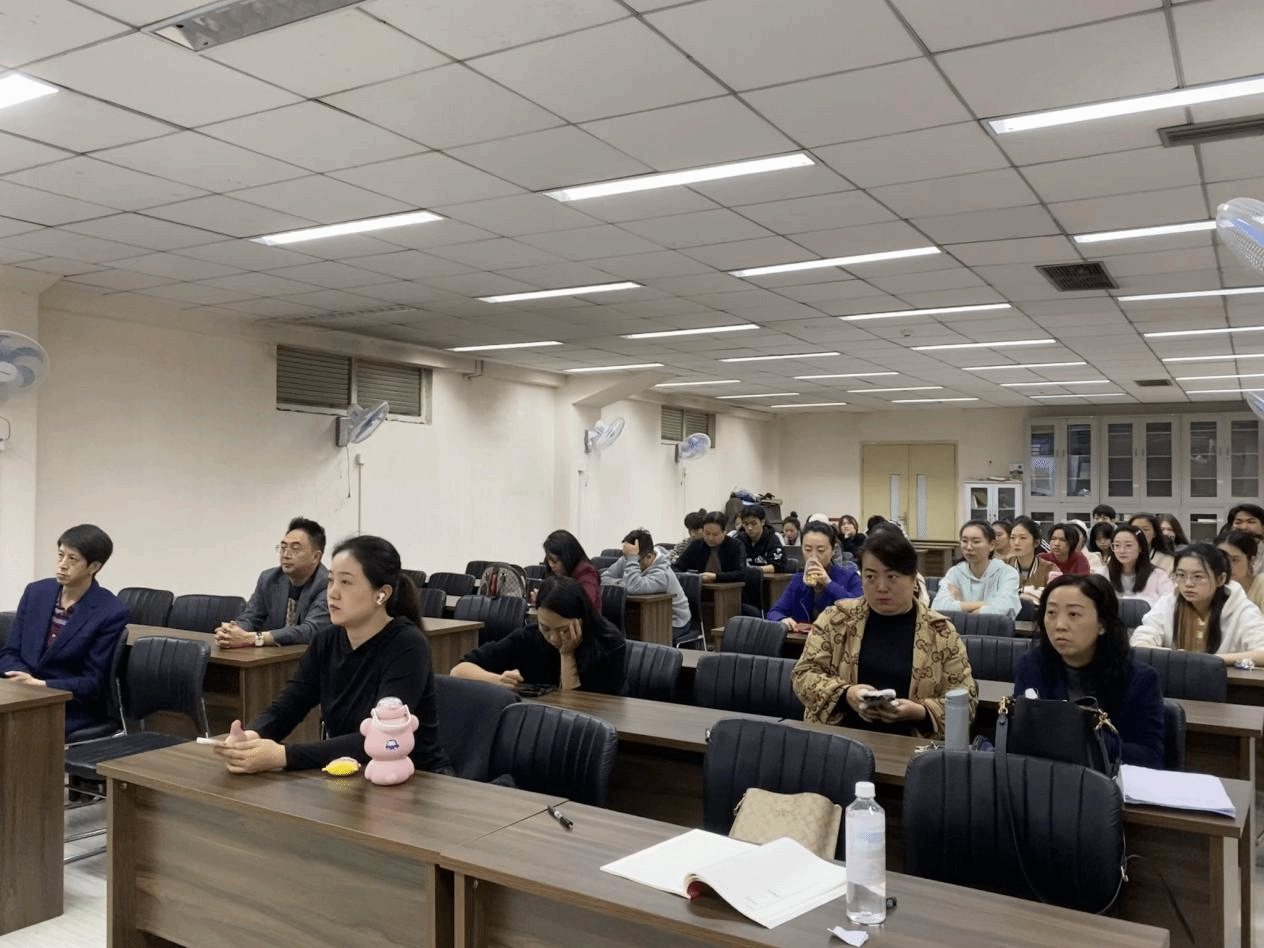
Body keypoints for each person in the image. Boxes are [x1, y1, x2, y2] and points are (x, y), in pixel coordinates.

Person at [213, 535, 452, 774]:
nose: (333, 593)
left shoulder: (407, 645)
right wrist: (251, 736)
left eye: (346, 582)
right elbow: (289, 706)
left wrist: (283, 756)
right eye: (330, 581)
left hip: (413, 776)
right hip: (349, 772)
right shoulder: (326, 640)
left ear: (381, 594)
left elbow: (383, 739)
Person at [792, 530, 976, 740]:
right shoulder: (836, 619)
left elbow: (965, 705)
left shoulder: (941, 632)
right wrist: (846, 694)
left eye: (892, 577)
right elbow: (802, 675)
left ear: (914, 580)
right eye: (870, 577)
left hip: (912, 746)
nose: (881, 587)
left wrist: (921, 712)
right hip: (841, 742)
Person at [1014, 574, 1165, 768]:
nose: (1059, 625)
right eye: (1051, 613)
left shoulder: (1140, 680)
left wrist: (1083, 737)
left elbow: (1150, 757)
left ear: (1102, 624)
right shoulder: (1031, 665)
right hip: (1047, 778)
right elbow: (1019, 737)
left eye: (1073, 614)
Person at [0, 524, 129, 736]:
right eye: (60, 555)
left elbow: (93, 682)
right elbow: (10, 651)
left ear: (94, 566)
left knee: (17, 732)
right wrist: (22, 679)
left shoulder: (111, 611)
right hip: (20, 692)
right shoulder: (36, 592)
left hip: (68, 704)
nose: (62, 565)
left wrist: (41, 685)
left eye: (72, 559)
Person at [451, 576, 627, 694]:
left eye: (563, 630)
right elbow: (458, 671)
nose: (554, 638)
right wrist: (497, 680)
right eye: (546, 628)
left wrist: (567, 654)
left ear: (581, 620)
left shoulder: (609, 643)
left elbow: (574, 708)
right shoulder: (530, 637)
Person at [1130, 544, 1264, 667]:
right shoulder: (1168, 603)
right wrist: (1176, 657)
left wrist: (1209, 660)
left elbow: (1262, 653)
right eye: (1181, 575)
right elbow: (1140, 642)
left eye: (1198, 576)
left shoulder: (1242, 610)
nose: (1188, 583)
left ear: (1221, 579)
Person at [215, 517, 332, 648]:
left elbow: (310, 630)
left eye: (295, 548)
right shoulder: (269, 579)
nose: (286, 554)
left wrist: (254, 638)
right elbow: (251, 618)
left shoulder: (328, 584)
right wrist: (232, 631)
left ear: (315, 556)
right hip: (274, 657)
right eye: (283, 547)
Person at [601, 529, 691, 644]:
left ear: (648, 557)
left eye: (633, 559)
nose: (628, 561)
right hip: (645, 617)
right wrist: (622, 583)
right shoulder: (630, 558)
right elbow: (604, 578)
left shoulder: (663, 574)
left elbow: (633, 587)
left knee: (644, 640)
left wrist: (632, 560)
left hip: (673, 621)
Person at [767, 522, 862, 630]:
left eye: (821, 550)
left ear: (833, 550)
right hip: (805, 639)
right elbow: (774, 612)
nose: (813, 556)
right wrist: (782, 619)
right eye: (808, 549)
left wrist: (828, 584)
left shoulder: (849, 576)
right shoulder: (799, 580)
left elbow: (860, 609)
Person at [930, 520, 1020, 618]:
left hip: (993, 627)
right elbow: (938, 606)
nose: (969, 547)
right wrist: (983, 604)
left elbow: (1002, 608)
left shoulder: (1007, 573)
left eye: (976, 542)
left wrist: (962, 610)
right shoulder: (955, 572)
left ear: (991, 545)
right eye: (964, 541)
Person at [1098, 525, 1173, 605]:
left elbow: (1169, 602)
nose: (1122, 551)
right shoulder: (1103, 573)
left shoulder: (1158, 575)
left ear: (1140, 547)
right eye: (1117, 545)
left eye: (1128, 545)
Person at [673, 511, 747, 583]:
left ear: (724, 531)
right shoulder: (696, 545)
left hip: (727, 589)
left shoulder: (736, 546)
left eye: (715, 534)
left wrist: (716, 577)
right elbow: (676, 567)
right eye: (707, 533)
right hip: (698, 588)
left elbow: (741, 574)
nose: (710, 538)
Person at [542, 528, 601, 611]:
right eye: (548, 559)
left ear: (567, 558)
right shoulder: (557, 572)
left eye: (555, 561)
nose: (550, 564)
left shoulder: (586, 572)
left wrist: (549, 601)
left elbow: (584, 605)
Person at [1006, 517, 1060, 603]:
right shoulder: (1002, 566)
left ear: (1036, 542)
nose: (1016, 542)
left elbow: (1056, 598)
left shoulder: (1050, 569)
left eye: (1023, 538)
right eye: (1012, 538)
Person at [1219, 531, 1264, 612]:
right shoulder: (1215, 586)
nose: (1227, 566)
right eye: (1222, 559)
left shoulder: (1261, 584)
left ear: (1252, 560)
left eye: (1234, 560)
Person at [736, 504, 786, 574]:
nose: (749, 528)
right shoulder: (738, 540)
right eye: (746, 524)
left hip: (766, 578)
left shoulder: (773, 539)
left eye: (753, 524)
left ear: (762, 522)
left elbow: (778, 566)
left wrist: (753, 570)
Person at [1226, 504, 1264, 574]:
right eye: (1238, 522)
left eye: (1251, 522)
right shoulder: (1223, 552)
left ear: (1262, 527)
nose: (1244, 527)